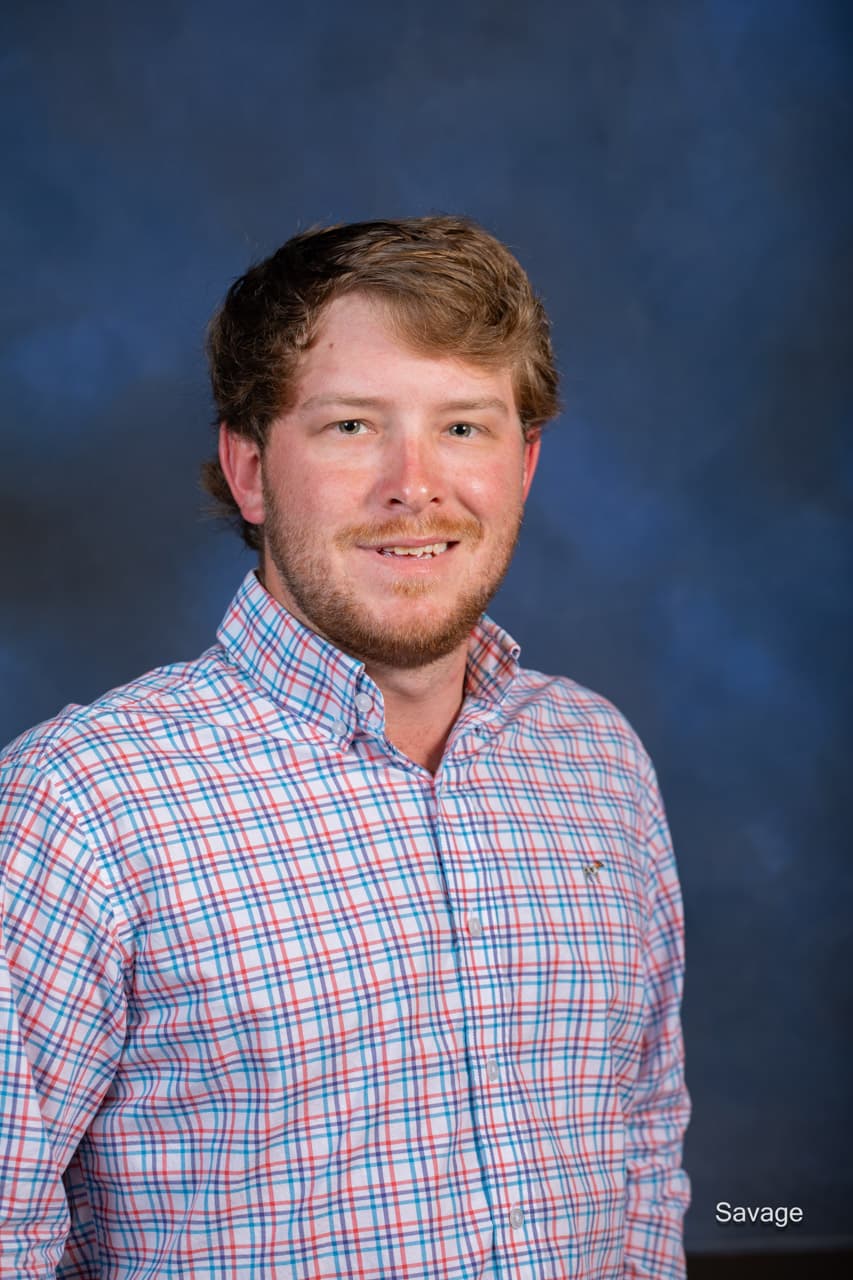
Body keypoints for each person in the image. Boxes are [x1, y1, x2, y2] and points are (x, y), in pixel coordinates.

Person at [0, 216, 690, 1278]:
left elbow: (645, 1133)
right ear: (250, 470)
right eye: (352, 426)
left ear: (525, 462)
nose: (414, 484)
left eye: (464, 427)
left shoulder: (595, 761)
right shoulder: (78, 804)